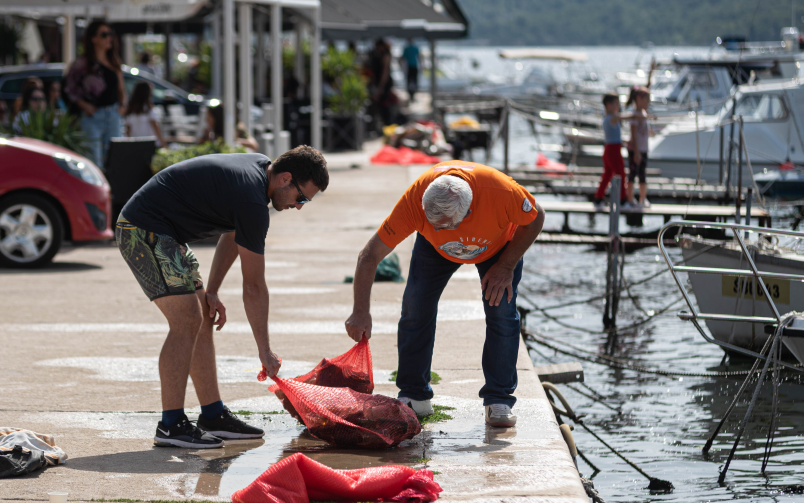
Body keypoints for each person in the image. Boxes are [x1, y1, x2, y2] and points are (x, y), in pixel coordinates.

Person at [116, 146, 330, 448]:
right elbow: (254, 287)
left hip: (166, 233)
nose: (300, 206)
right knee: (186, 320)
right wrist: (265, 351)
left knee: (200, 316)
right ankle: (170, 425)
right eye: (302, 197)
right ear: (285, 178)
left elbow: (233, 233)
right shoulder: (252, 199)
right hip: (142, 228)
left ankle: (213, 415)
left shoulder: (259, 175)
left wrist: (212, 289)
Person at [345, 160, 545, 428]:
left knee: (502, 313)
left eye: (445, 225)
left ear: (469, 210)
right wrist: (360, 310)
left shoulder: (501, 193)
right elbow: (369, 256)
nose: (437, 229)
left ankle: (499, 399)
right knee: (415, 308)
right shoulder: (415, 200)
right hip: (435, 251)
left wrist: (506, 265)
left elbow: (535, 218)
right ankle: (414, 395)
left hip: (498, 248)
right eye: (432, 223)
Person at [64, 19, 126, 166]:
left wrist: (122, 106)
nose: (109, 38)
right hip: (92, 118)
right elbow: (68, 89)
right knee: (94, 162)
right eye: (104, 34)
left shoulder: (114, 61)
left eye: (110, 34)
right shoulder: (81, 64)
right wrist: (84, 105)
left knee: (114, 162)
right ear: (93, 38)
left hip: (113, 116)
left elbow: (121, 89)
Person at [592, 93, 630, 211]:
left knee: (607, 175)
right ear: (608, 105)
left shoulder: (611, 118)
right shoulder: (612, 117)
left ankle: (598, 198)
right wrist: (641, 116)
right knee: (621, 175)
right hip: (612, 151)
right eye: (616, 103)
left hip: (611, 149)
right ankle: (623, 201)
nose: (618, 106)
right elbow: (627, 116)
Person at [626, 86, 653, 207]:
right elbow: (634, 135)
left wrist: (651, 132)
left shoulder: (644, 114)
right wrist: (636, 152)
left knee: (642, 175)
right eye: (646, 99)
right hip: (635, 150)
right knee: (632, 174)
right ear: (639, 99)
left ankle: (643, 199)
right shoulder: (635, 115)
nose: (648, 102)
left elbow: (645, 129)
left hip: (644, 149)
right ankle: (630, 199)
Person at [124, 81, 166, 145]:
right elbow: (155, 126)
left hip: (135, 144)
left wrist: (128, 144)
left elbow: (128, 130)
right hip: (149, 144)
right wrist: (163, 143)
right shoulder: (148, 109)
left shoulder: (130, 109)